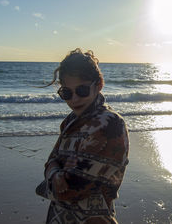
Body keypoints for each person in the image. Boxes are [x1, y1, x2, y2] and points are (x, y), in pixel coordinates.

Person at [39, 48, 129, 224]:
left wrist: (56, 170)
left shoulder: (111, 124)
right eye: (66, 93)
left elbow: (70, 189)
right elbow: (50, 161)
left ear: (99, 85)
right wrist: (59, 170)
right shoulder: (70, 121)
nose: (74, 99)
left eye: (81, 90)